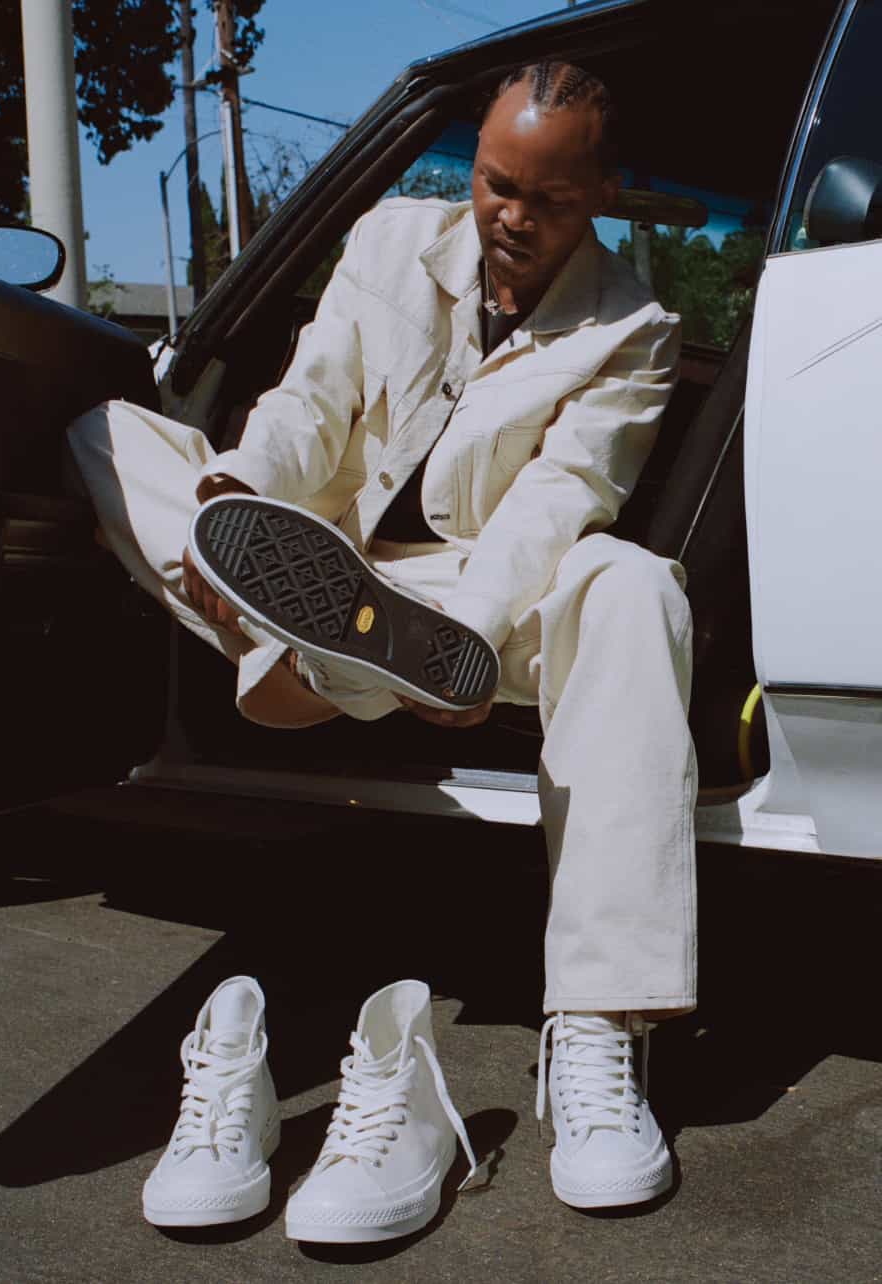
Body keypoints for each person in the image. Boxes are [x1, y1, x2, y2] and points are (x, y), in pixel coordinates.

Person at [69, 59, 696, 1230]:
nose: (512, 217)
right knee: (107, 429)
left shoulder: (637, 329)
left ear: (599, 195)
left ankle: (601, 1030)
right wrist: (231, 498)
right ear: (475, 169)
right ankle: (301, 629)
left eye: (548, 201)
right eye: (496, 185)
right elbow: (314, 401)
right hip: (332, 557)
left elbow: (558, 505)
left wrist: (459, 633)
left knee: (633, 587)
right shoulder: (392, 235)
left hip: (476, 596)